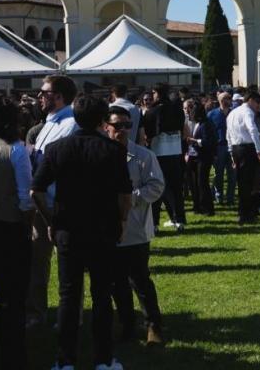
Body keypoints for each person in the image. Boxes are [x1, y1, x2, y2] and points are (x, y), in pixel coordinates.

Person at [31, 95, 132, 370]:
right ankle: (103, 359)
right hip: (103, 229)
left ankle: (65, 360)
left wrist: (51, 219)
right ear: (102, 119)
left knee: (68, 296)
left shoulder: (57, 148)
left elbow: (36, 190)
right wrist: (122, 220)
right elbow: (124, 194)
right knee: (102, 295)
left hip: (68, 228)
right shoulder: (113, 150)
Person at [105, 106, 165, 346]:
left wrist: (132, 198)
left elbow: (157, 185)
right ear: (106, 127)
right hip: (108, 229)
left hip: (135, 228)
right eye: (117, 125)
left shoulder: (143, 156)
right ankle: (127, 324)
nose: (122, 130)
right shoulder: (100, 154)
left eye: (127, 126)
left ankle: (153, 325)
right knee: (115, 282)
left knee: (140, 280)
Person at [28, 74, 79, 329]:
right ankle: (37, 313)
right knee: (38, 263)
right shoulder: (49, 123)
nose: (39, 96)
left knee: (68, 267)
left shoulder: (71, 125)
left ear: (58, 96)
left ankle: (70, 316)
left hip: (62, 205)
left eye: (44, 92)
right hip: (41, 204)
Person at [0, 95, 34, 369]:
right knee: (12, 301)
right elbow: (25, 198)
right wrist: (29, 225)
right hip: (8, 230)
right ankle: (13, 359)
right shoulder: (16, 150)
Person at [143, 83, 187, 231]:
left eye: (154, 93)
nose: (153, 96)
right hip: (175, 152)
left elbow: (148, 134)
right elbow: (182, 129)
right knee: (176, 189)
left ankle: (154, 223)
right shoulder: (177, 110)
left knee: (156, 188)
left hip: (158, 153)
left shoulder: (152, 111)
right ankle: (179, 220)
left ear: (157, 93)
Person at [226, 91, 260, 225]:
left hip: (236, 148)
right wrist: (259, 149)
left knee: (241, 183)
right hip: (247, 149)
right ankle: (247, 214)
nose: (259, 106)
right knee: (249, 183)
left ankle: (243, 212)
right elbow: (252, 130)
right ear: (251, 100)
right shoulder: (247, 112)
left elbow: (228, 135)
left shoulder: (232, 113)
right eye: (258, 102)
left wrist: (231, 153)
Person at [184, 100, 217, 216]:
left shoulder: (206, 124)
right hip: (193, 156)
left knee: (202, 182)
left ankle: (208, 208)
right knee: (194, 183)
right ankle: (197, 206)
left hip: (203, 157)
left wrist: (195, 141)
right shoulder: (198, 123)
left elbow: (208, 141)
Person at [208, 92, 236, 206]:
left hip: (232, 146)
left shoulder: (234, 113)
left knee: (232, 174)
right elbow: (208, 131)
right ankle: (218, 195)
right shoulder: (212, 114)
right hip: (219, 147)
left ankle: (230, 198)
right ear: (220, 100)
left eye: (229, 98)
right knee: (218, 174)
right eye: (226, 98)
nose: (228, 100)